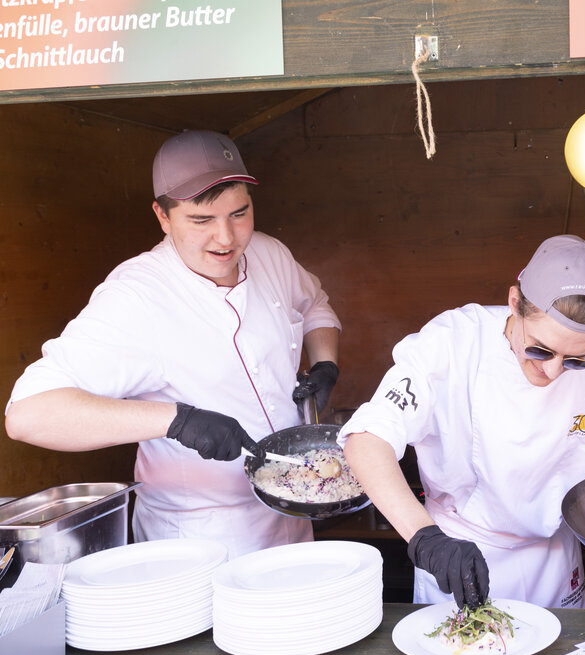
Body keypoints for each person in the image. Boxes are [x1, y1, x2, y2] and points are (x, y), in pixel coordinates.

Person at [5, 130, 341, 559]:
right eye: (201, 221)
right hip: (198, 541)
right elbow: (29, 414)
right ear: (163, 217)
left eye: (239, 213)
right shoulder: (135, 297)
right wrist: (176, 421)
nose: (226, 238)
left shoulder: (269, 254)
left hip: (292, 515)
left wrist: (326, 364)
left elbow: (315, 305)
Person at [339, 234, 585, 610]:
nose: (552, 371)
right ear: (514, 302)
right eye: (539, 349)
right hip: (458, 559)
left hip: (556, 564)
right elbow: (366, 440)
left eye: (575, 359)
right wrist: (427, 541)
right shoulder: (453, 343)